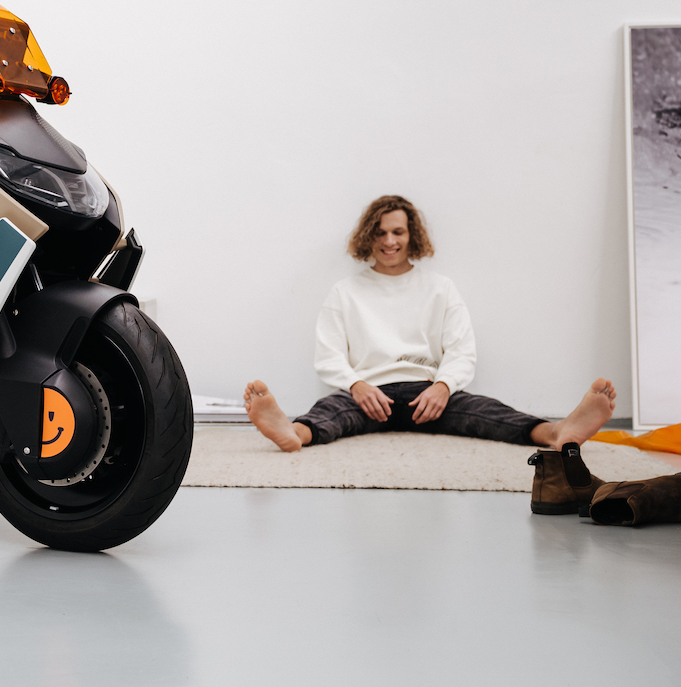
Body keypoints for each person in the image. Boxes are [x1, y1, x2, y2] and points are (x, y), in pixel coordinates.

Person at [242, 195, 617, 514]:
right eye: (380, 232)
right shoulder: (346, 291)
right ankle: (292, 434)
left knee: (486, 413)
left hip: (428, 393)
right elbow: (328, 355)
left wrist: (443, 386)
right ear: (367, 236)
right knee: (331, 412)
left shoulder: (440, 288)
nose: (389, 240)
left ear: (411, 236)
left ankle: (556, 432)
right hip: (369, 394)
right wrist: (356, 385)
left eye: (398, 232)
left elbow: (461, 351)